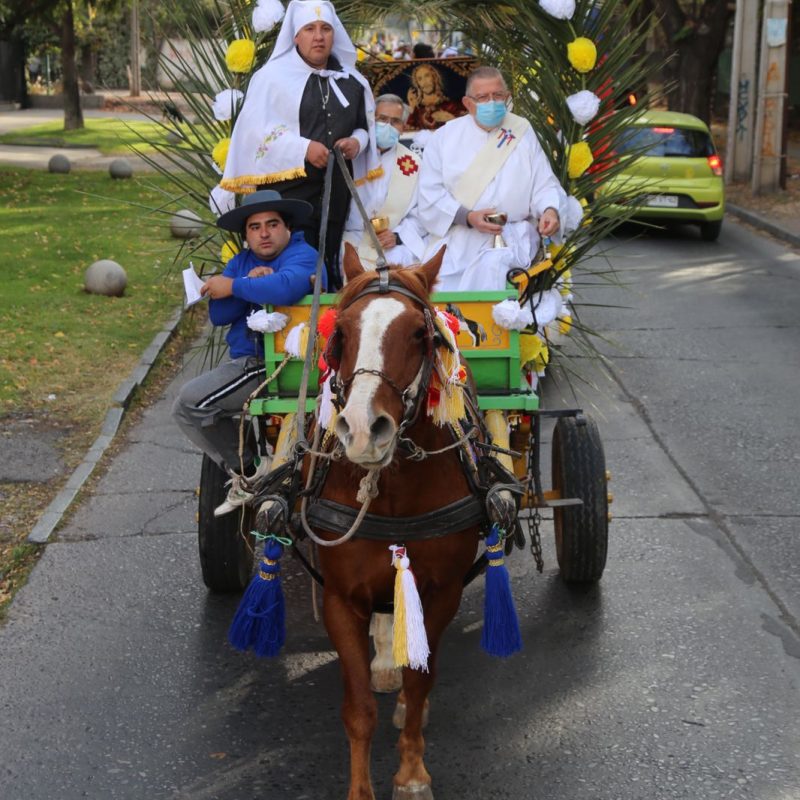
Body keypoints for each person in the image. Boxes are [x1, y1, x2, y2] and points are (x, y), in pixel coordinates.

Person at [173, 190, 318, 516]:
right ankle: (252, 467)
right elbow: (219, 315)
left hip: (273, 363)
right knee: (185, 411)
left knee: (191, 401)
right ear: (246, 235)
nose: (264, 233)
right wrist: (246, 280)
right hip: (245, 360)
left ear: (287, 228)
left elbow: (288, 286)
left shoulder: (303, 254)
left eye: (272, 224)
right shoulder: (241, 262)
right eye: (254, 227)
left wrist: (235, 286)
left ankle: (252, 469)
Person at [220, 0, 382, 290]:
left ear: (335, 35)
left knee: (330, 255)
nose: (318, 36)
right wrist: (302, 148)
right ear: (296, 36)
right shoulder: (270, 79)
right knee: (293, 263)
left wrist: (357, 141)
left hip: (336, 191)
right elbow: (253, 130)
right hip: (287, 195)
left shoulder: (351, 81)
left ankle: (323, 328)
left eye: (325, 29)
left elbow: (363, 124)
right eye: (310, 29)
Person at [417, 66, 580, 291]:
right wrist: (468, 217)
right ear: (467, 103)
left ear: (507, 97)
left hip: (514, 238)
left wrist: (550, 210)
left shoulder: (521, 132)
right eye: (483, 97)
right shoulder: (444, 138)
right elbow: (430, 193)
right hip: (462, 239)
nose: (491, 102)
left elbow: (543, 183)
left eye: (498, 96)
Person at [341, 94, 427, 270]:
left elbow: (422, 212)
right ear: (370, 121)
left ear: (403, 127)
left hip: (391, 245)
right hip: (352, 237)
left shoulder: (413, 164)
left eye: (395, 121)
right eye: (382, 119)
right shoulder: (352, 157)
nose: (387, 125)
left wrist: (397, 236)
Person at [405, 62, 465, 131]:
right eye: (420, 79)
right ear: (417, 84)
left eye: (427, 76)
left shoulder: (451, 105)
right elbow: (408, 134)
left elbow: (463, 129)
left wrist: (450, 118)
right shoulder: (417, 110)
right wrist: (412, 108)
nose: (425, 82)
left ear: (434, 77)